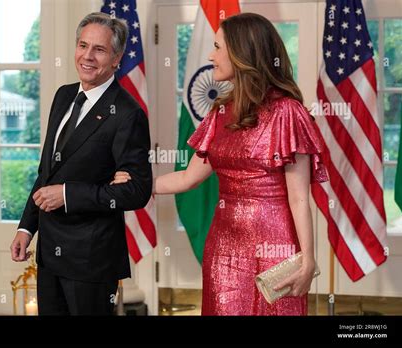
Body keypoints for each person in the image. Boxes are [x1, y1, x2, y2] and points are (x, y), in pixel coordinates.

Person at [112, 13, 328, 315]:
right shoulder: (220, 111)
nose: (211, 56)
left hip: (276, 246)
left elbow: (299, 196)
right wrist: (137, 185)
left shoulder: (288, 112)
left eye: (217, 47)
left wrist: (308, 258)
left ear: (241, 53)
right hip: (224, 248)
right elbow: (188, 178)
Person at [10, 12, 152, 315]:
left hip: (92, 260)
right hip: (49, 253)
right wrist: (26, 227)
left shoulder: (128, 113)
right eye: (82, 45)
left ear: (116, 59)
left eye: (99, 50)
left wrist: (67, 195)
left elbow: (138, 191)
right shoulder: (63, 96)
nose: (87, 56)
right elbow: (47, 172)